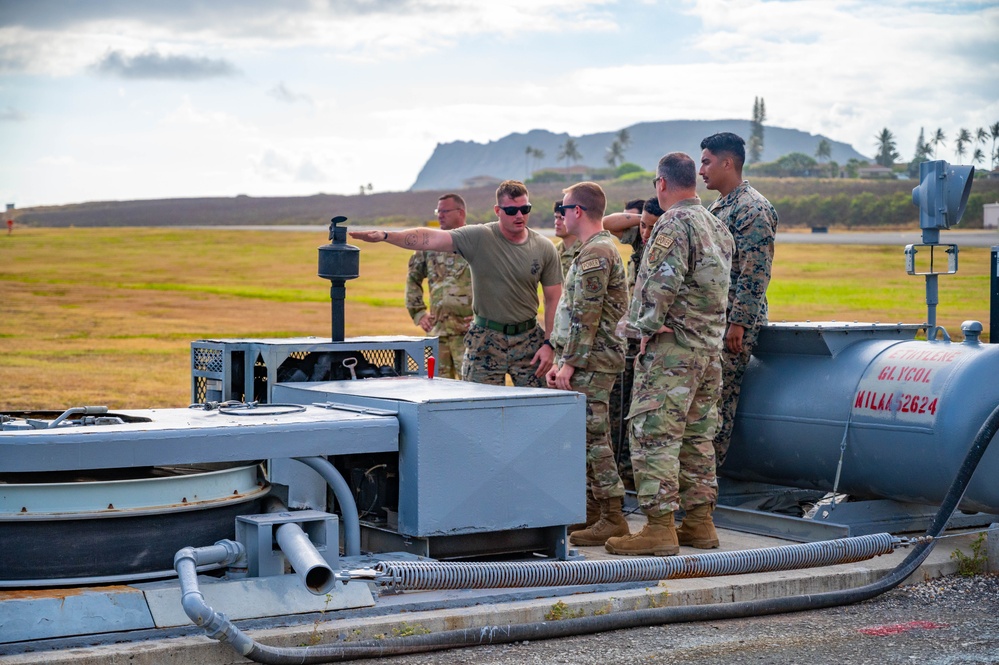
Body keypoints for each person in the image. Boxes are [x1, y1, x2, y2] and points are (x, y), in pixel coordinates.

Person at [604, 152, 733, 557]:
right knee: (697, 439)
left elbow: (654, 293)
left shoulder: (672, 225)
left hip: (672, 354)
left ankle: (660, 528)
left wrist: (633, 327)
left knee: (654, 436)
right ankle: (699, 523)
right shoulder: (717, 225)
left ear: (661, 185)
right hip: (708, 353)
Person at [350, 180, 562, 387]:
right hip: (486, 341)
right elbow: (430, 238)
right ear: (497, 210)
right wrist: (386, 235)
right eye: (511, 211)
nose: (519, 216)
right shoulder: (479, 237)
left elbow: (553, 299)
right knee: (478, 408)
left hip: (528, 341)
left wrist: (548, 344)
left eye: (525, 209)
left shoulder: (543, 248)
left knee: (538, 406)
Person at [545, 182, 630, 546]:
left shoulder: (597, 253)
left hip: (593, 360)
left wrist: (570, 363)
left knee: (595, 438)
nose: (561, 215)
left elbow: (587, 315)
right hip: (584, 358)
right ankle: (594, 512)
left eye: (563, 209)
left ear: (577, 211)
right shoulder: (590, 250)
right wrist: (564, 358)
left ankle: (613, 516)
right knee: (585, 436)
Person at [698, 132, 779, 468]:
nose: (701, 170)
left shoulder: (753, 208)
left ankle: (707, 489)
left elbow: (755, 272)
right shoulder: (719, 206)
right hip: (713, 321)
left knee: (718, 405)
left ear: (727, 163)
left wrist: (739, 324)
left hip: (732, 326)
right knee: (705, 403)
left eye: (706, 162)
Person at [603, 196, 665, 491]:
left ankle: (636, 472)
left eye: (650, 227)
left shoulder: (668, 245)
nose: (644, 232)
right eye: (641, 226)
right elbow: (608, 223)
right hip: (631, 340)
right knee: (622, 404)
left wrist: (654, 221)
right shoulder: (642, 243)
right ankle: (623, 470)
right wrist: (640, 217)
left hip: (654, 341)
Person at [405, 193, 473, 379]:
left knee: (471, 387)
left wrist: (482, 316)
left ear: (460, 212)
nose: (439, 215)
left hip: (468, 334)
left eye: (445, 211)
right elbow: (413, 277)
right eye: (438, 211)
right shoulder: (430, 245)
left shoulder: (475, 242)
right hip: (438, 333)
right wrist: (418, 312)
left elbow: (495, 282)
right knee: (438, 386)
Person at [552, 200, 581, 281]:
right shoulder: (554, 251)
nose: (557, 223)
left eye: (561, 218)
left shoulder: (584, 250)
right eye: (556, 217)